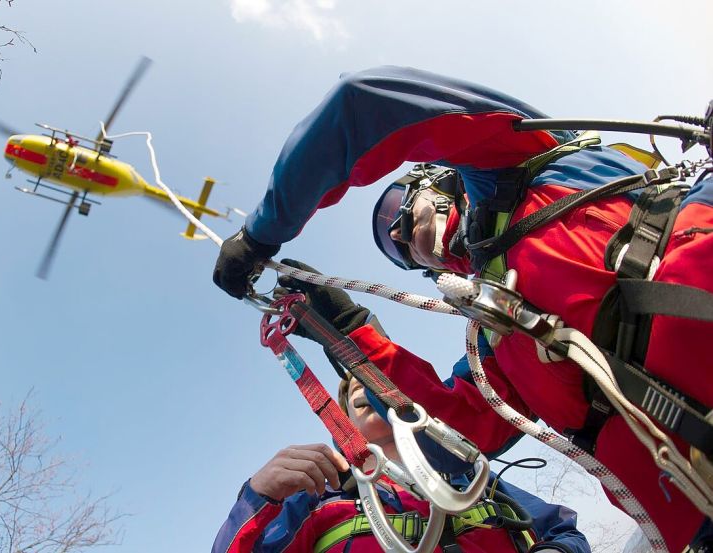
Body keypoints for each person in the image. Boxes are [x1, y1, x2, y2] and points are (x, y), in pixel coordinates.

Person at [211, 66, 712, 550]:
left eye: (398, 212)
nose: (402, 237)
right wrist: (344, 329)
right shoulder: (496, 341)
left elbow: (363, 104)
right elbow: (454, 436)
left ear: (440, 179)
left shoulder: (523, 160)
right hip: (694, 501)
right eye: (397, 252)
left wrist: (262, 233)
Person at [211, 372, 591, 553]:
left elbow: (561, 531)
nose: (362, 390)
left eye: (370, 385)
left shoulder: (470, 476)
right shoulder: (315, 496)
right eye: (354, 392)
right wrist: (258, 495)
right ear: (343, 418)